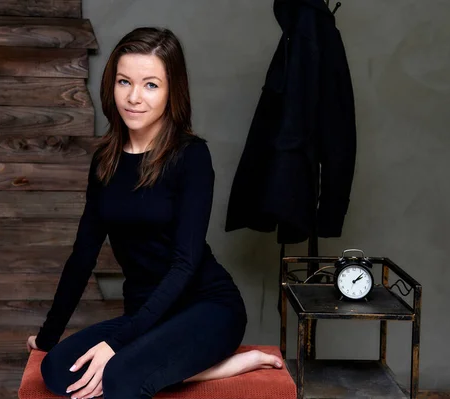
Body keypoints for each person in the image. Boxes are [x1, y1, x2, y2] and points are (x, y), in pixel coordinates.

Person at [26, 27, 283, 399]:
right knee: (55, 371)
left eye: (150, 85)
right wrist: (49, 337)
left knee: (117, 379)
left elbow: (184, 263)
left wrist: (117, 343)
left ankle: (229, 363)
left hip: (207, 309)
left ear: (171, 92)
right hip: (145, 313)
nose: (133, 97)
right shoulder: (105, 161)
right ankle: (199, 368)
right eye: (124, 81)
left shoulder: (191, 156)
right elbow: (82, 256)